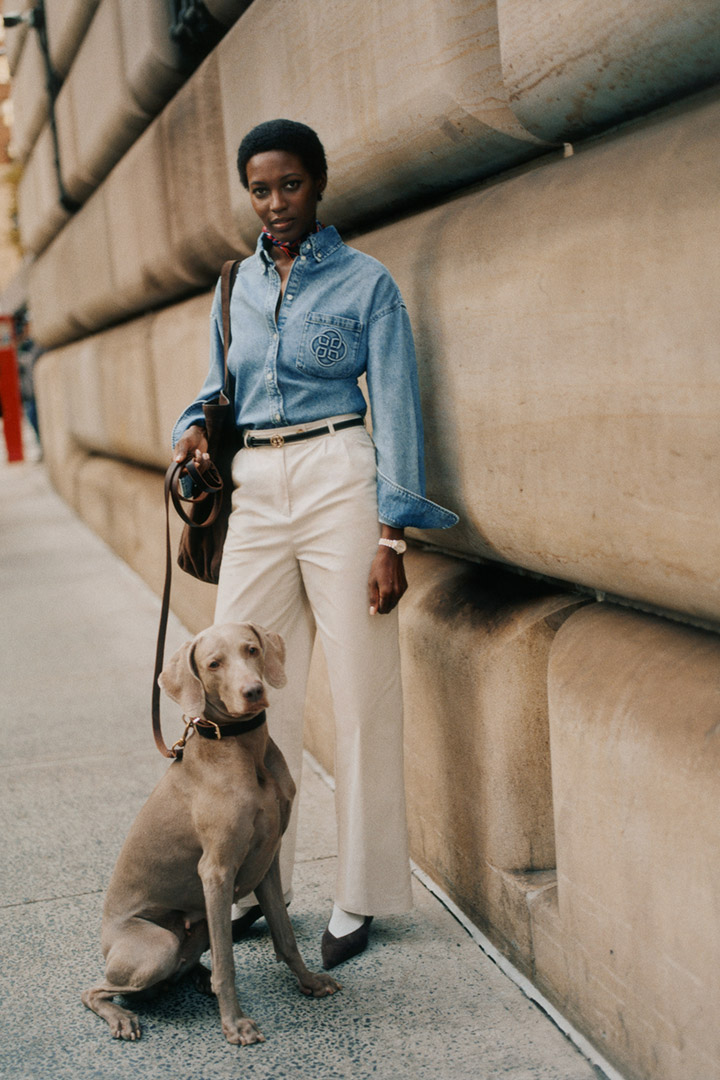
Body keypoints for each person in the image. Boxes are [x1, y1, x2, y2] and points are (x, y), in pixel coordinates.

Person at [172, 119, 457, 968]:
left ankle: (361, 895)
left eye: (290, 185)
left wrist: (390, 537)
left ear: (319, 184)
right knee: (239, 695)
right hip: (255, 488)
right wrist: (191, 431)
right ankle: (265, 879)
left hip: (341, 470)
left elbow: (398, 406)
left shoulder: (367, 282)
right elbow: (214, 387)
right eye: (260, 189)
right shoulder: (234, 286)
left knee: (362, 686)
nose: (275, 204)